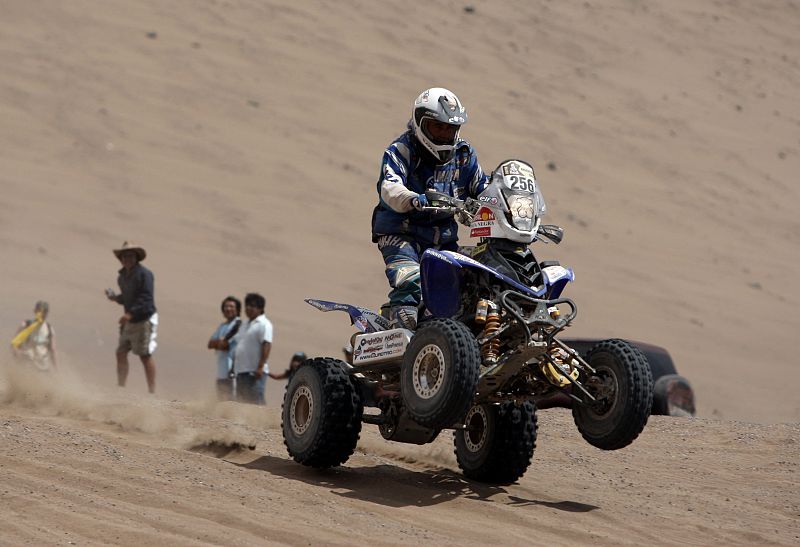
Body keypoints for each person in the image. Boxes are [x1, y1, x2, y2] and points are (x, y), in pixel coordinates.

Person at [371, 87, 489, 329]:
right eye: (438, 127)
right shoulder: (401, 151)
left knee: (472, 281)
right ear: (420, 124)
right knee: (411, 280)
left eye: (449, 128)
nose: (444, 134)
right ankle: (400, 327)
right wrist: (413, 199)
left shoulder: (464, 155)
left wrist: (504, 204)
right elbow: (389, 188)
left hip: (443, 238)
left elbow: (484, 188)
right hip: (401, 234)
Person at [105, 241, 158, 394]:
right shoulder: (122, 277)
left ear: (136, 258)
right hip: (129, 321)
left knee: (145, 355)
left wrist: (130, 313)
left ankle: (152, 392)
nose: (128, 258)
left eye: (131, 255)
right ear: (121, 259)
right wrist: (115, 298)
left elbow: (146, 299)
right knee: (121, 352)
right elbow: (127, 298)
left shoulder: (144, 274)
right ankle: (121, 388)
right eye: (125, 256)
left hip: (143, 320)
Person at [230, 293, 273, 405]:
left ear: (260, 308)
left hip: (254, 372)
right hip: (241, 371)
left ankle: (262, 422)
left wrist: (260, 367)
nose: (248, 308)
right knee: (241, 402)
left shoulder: (264, 324)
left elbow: (267, 345)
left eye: (252, 306)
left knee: (255, 402)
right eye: (247, 305)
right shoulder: (244, 324)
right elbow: (240, 345)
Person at [207, 296, 242, 400]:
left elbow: (224, 345)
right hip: (221, 373)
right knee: (221, 402)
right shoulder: (223, 326)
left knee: (232, 403)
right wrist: (220, 343)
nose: (228, 309)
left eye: (231, 306)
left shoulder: (238, 324)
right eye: (226, 306)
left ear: (238, 309)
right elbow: (210, 344)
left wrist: (219, 343)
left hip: (232, 373)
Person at [10, 301, 57, 372]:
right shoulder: (26, 325)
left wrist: (56, 368)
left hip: (43, 366)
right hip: (27, 364)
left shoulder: (49, 329)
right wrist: (18, 355)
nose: (42, 314)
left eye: (44, 312)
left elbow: (53, 350)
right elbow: (14, 344)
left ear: (47, 313)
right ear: (35, 311)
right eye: (40, 311)